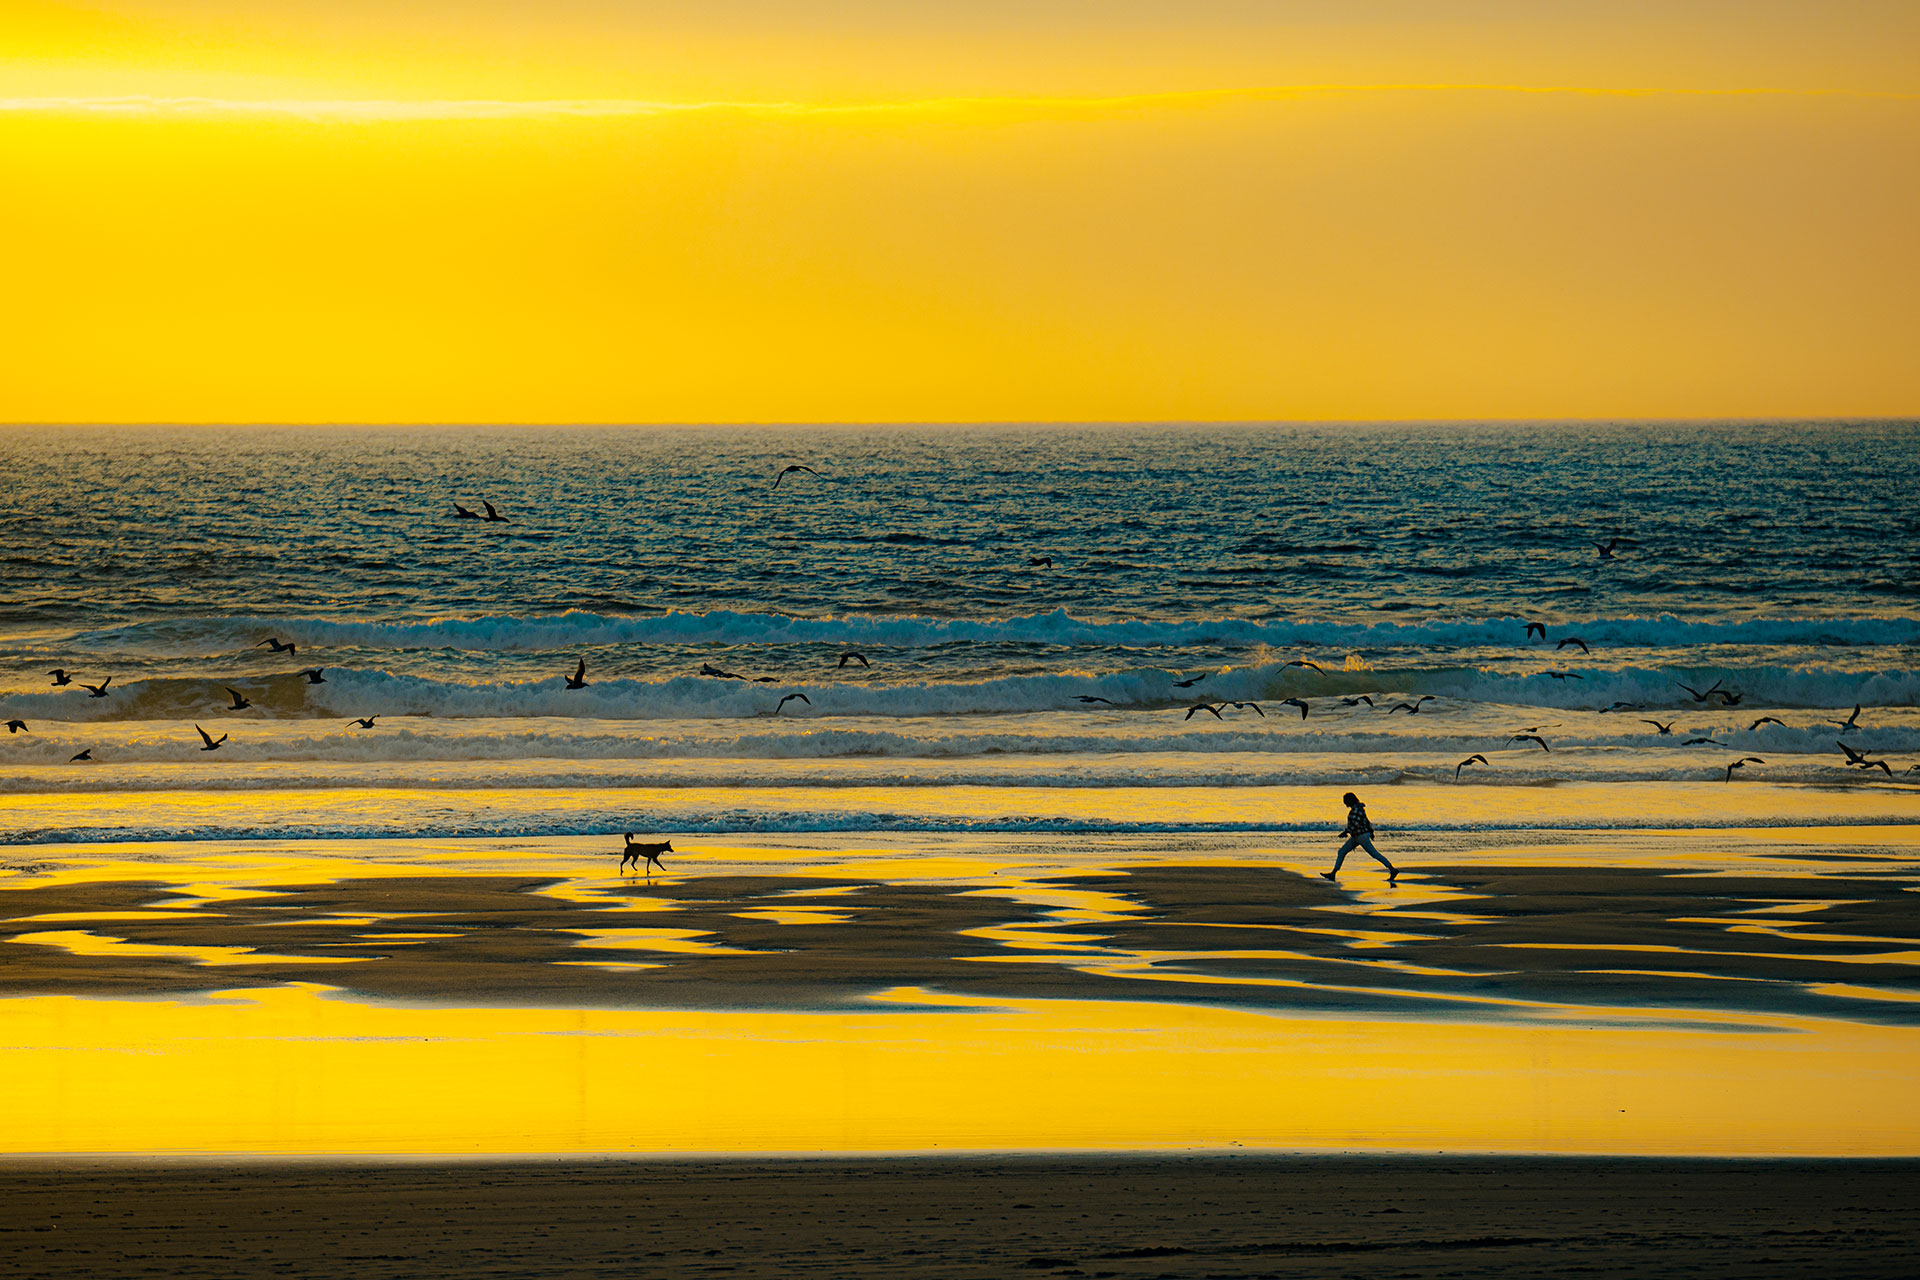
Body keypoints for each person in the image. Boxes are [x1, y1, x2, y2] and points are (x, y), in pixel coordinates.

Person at [1323, 791, 1397, 883]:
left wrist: (1346, 832)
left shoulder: (1356, 810)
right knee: (1342, 852)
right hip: (1358, 836)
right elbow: (1366, 821)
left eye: (1345, 801)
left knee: (1374, 854)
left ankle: (1392, 869)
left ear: (1350, 801)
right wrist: (1370, 831)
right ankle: (1333, 874)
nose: (1344, 803)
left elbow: (1355, 825)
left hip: (1361, 836)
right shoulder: (1358, 808)